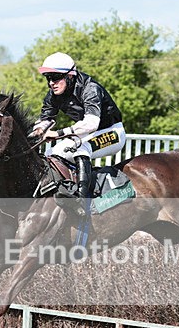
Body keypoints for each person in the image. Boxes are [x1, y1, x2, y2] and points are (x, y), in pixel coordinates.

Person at [30, 52, 126, 211]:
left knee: (80, 148)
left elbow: (91, 123)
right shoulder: (53, 95)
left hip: (113, 132)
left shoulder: (90, 89)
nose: (51, 83)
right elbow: (45, 119)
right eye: (48, 78)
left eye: (55, 77)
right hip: (86, 135)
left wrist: (58, 134)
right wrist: (39, 130)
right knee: (50, 154)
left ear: (70, 76)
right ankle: (64, 190)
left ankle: (82, 200)